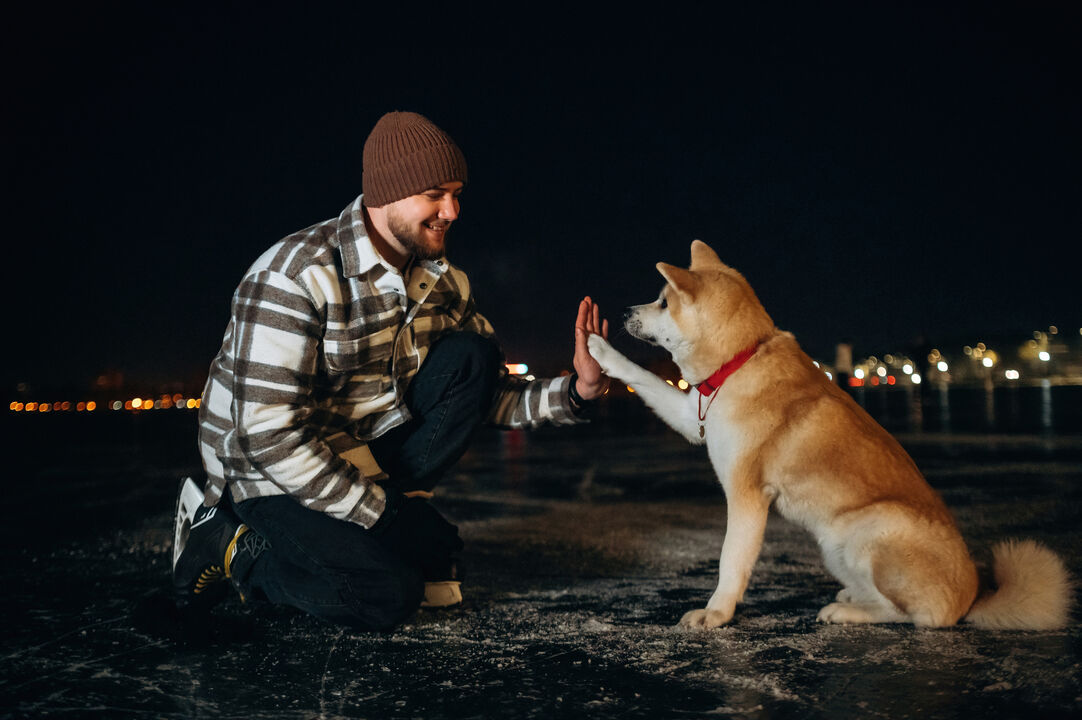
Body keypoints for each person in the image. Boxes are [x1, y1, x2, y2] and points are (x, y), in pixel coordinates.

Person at [171, 111, 610, 631]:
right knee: (384, 594)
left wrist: (578, 391)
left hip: (360, 452)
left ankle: (392, 514)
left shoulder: (443, 283)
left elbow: (485, 393)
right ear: (386, 194)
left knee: (472, 355)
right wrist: (384, 516)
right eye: (434, 194)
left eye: (457, 194)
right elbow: (268, 439)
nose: (452, 211)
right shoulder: (294, 277)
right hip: (266, 476)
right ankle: (228, 545)